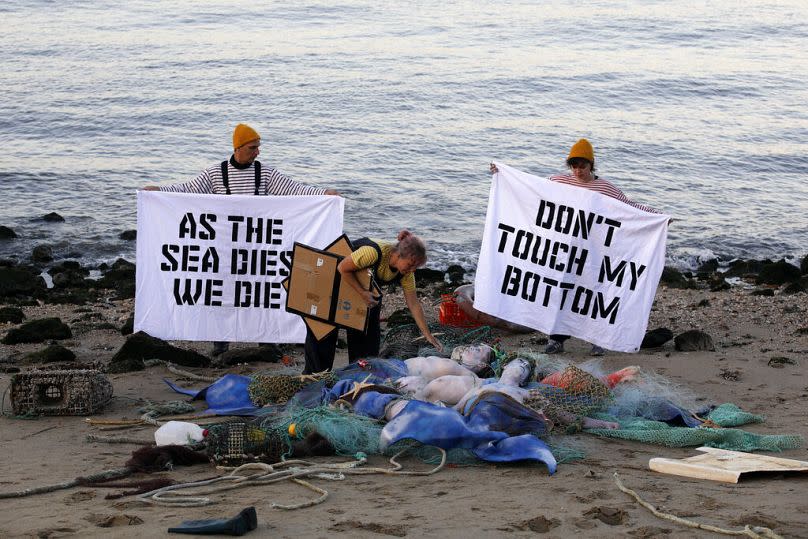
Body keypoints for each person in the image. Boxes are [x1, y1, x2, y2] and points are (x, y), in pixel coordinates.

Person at [144, 123, 339, 356]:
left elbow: (293, 189)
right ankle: (220, 341)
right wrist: (159, 192)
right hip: (224, 248)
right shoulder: (215, 173)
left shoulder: (264, 173)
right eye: (252, 147)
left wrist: (322, 195)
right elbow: (187, 191)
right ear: (238, 147)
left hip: (257, 248)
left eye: (258, 147)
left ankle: (267, 340)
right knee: (223, 293)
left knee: (261, 292)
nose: (257, 152)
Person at [490, 138, 661, 356]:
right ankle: (557, 339)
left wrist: (657, 218)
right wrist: (502, 175)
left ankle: (598, 339)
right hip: (565, 250)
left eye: (583, 166)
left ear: (592, 165)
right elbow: (529, 192)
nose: (578, 171)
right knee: (562, 291)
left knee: (593, 292)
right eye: (574, 166)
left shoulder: (606, 188)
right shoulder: (558, 182)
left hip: (595, 252)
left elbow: (629, 208)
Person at [303, 230, 443, 374]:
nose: (412, 270)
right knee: (323, 341)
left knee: (367, 344)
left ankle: (358, 377)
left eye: (416, 267)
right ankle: (313, 380)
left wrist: (427, 334)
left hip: (356, 293)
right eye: (410, 264)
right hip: (329, 286)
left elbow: (413, 304)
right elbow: (342, 268)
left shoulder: (406, 273)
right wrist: (363, 293)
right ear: (398, 255)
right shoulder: (373, 252)